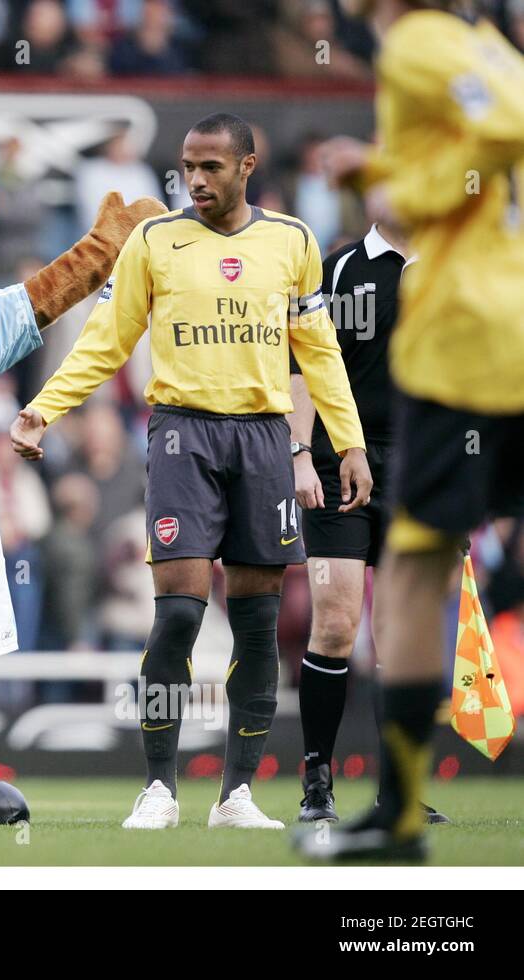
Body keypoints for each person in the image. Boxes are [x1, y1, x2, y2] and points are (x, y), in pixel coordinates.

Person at [11, 112, 371, 830]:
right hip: (182, 435)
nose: (195, 180)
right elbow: (105, 340)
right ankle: (159, 788)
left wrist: (349, 441)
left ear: (247, 165)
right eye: (187, 167)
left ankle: (236, 794)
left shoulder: (292, 242)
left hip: (267, 441)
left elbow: (318, 351)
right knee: (176, 613)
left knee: (258, 623)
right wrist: (43, 409)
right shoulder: (154, 239)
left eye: (210, 167)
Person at [295, 0, 524, 861]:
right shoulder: (496, 48)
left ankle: (396, 814)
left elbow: (504, 132)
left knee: (416, 578)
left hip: (467, 353)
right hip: (485, 343)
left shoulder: (418, 42)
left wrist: (386, 175)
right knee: (371, 601)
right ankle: (364, 794)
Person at [288, 221, 448, 826]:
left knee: (401, 634)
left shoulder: (451, 267)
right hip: (337, 460)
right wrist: (300, 453)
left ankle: (397, 792)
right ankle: (316, 784)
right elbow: (300, 366)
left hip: (418, 468)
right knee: (335, 621)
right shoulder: (336, 270)